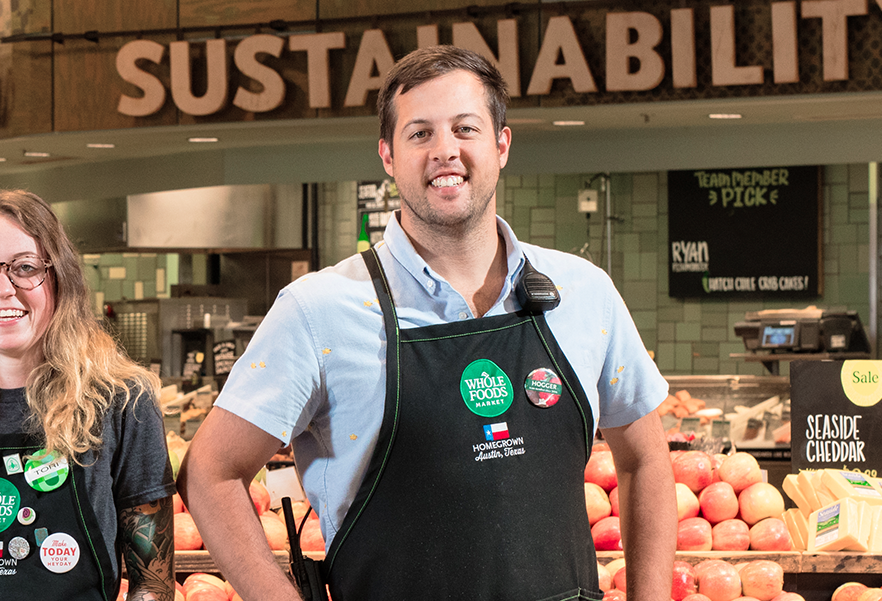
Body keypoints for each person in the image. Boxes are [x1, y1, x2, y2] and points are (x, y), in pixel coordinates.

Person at [180, 46, 675, 601]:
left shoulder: (583, 293)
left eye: (466, 128)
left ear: (501, 145)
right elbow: (209, 473)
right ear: (388, 155)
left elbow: (646, 458)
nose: (446, 151)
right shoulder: (318, 311)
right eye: (420, 134)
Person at [0, 190, 176, 601]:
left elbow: (152, 586)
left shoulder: (121, 402)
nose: (2, 289)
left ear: (59, 278)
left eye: (24, 267)